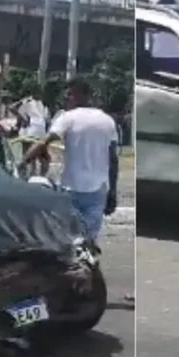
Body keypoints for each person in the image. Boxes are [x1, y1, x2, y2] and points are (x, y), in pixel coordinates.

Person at [18, 77, 119, 251]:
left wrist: (22, 163)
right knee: (89, 240)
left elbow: (43, 142)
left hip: (71, 187)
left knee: (68, 238)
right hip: (98, 189)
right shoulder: (108, 121)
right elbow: (113, 159)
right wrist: (113, 192)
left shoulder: (67, 118)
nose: (67, 98)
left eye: (69, 94)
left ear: (77, 95)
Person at [11, 85, 50, 177]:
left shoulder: (42, 105)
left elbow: (46, 120)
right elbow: (13, 108)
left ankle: (39, 177)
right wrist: (21, 102)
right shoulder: (27, 103)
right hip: (29, 133)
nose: (39, 94)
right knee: (29, 158)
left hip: (41, 135)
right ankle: (24, 176)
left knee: (43, 159)